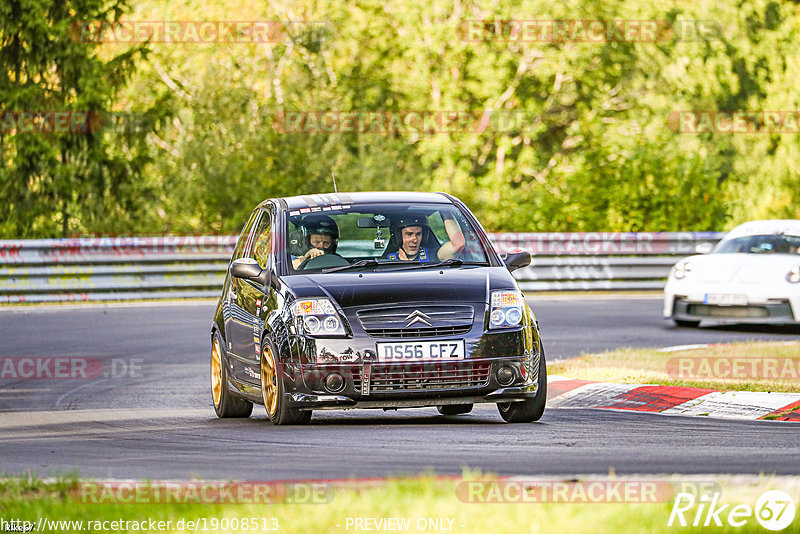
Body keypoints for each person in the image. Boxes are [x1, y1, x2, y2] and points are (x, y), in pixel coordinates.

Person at [384, 213, 465, 262]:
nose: (414, 240)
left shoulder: (433, 256)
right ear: (398, 237)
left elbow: (458, 244)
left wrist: (445, 211)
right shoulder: (385, 262)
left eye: (418, 234)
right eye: (409, 234)